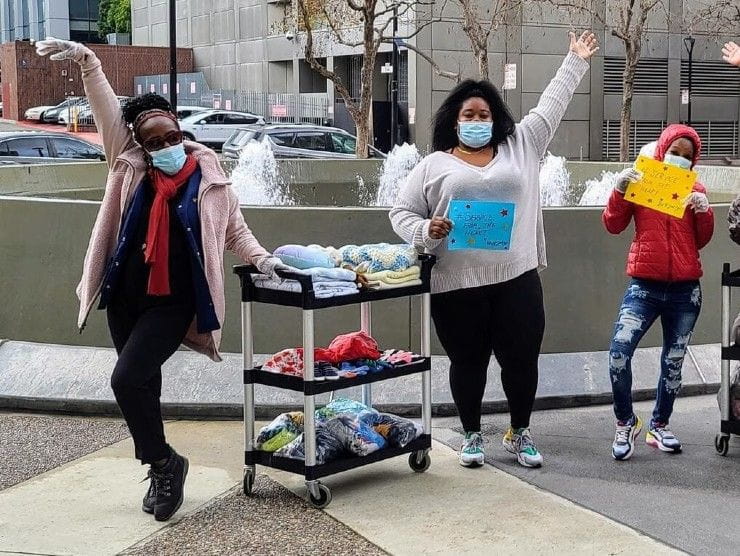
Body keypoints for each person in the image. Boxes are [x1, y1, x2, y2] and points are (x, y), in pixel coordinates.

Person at [35, 38, 289, 521]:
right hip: (124, 296)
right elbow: (108, 111)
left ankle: (166, 461)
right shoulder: (128, 166)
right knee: (143, 385)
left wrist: (265, 260)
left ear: (180, 129)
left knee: (125, 378)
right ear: (140, 144)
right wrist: (89, 63)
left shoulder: (209, 177)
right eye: (154, 142)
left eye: (171, 136)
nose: (167, 146)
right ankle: (161, 466)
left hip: (174, 302)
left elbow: (235, 230)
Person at [390, 32, 599, 468]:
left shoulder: (521, 145)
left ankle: (519, 432)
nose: (477, 119)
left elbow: (550, 106)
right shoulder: (433, 165)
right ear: (454, 120)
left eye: (484, 113)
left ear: (495, 117)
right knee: (468, 364)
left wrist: (574, 61)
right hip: (457, 283)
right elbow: (402, 214)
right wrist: (428, 230)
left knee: (521, 362)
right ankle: (470, 434)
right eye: (469, 114)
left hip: (516, 279)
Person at [603, 124, 714, 461]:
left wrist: (704, 210)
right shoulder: (641, 180)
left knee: (674, 361)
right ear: (662, 149)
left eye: (686, 155)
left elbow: (702, 240)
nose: (679, 158)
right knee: (619, 352)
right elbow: (613, 223)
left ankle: (659, 425)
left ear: (693, 161)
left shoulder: (694, 188)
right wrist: (620, 190)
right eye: (674, 151)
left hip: (685, 290)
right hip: (645, 284)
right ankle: (626, 421)